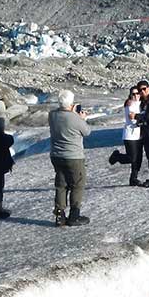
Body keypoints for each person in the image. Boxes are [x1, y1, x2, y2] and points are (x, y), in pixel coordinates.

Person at [48, 89, 92, 226]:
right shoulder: (74, 118)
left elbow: (62, 118)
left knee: (61, 185)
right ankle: (74, 215)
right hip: (73, 156)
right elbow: (87, 132)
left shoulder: (52, 115)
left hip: (56, 155)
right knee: (77, 184)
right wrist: (81, 118)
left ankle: (60, 215)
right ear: (71, 103)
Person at [108, 86, 144, 186]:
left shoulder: (141, 103)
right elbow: (132, 119)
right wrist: (142, 121)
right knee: (132, 158)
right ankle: (117, 156)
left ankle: (133, 178)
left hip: (139, 135)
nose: (136, 95)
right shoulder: (129, 104)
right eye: (133, 94)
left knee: (138, 159)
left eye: (137, 93)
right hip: (130, 135)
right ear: (130, 95)